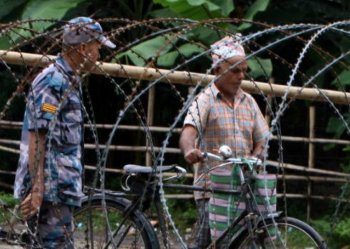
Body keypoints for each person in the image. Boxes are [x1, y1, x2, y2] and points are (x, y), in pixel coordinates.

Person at [14, 16, 115, 248]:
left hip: (60, 189)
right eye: (97, 47)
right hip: (50, 191)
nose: (99, 54)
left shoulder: (70, 80)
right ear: (82, 48)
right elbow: (37, 135)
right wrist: (38, 189)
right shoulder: (53, 81)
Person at [179, 35, 270, 247]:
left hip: (243, 186)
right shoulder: (205, 100)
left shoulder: (249, 102)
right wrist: (189, 150)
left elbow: (262, 138)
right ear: (217, 70)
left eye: (244, 70)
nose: (241, 76)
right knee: (207, 242)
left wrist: (254, 157)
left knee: (245, 240)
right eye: (235, 70)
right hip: (212, 188)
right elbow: (188, 131)